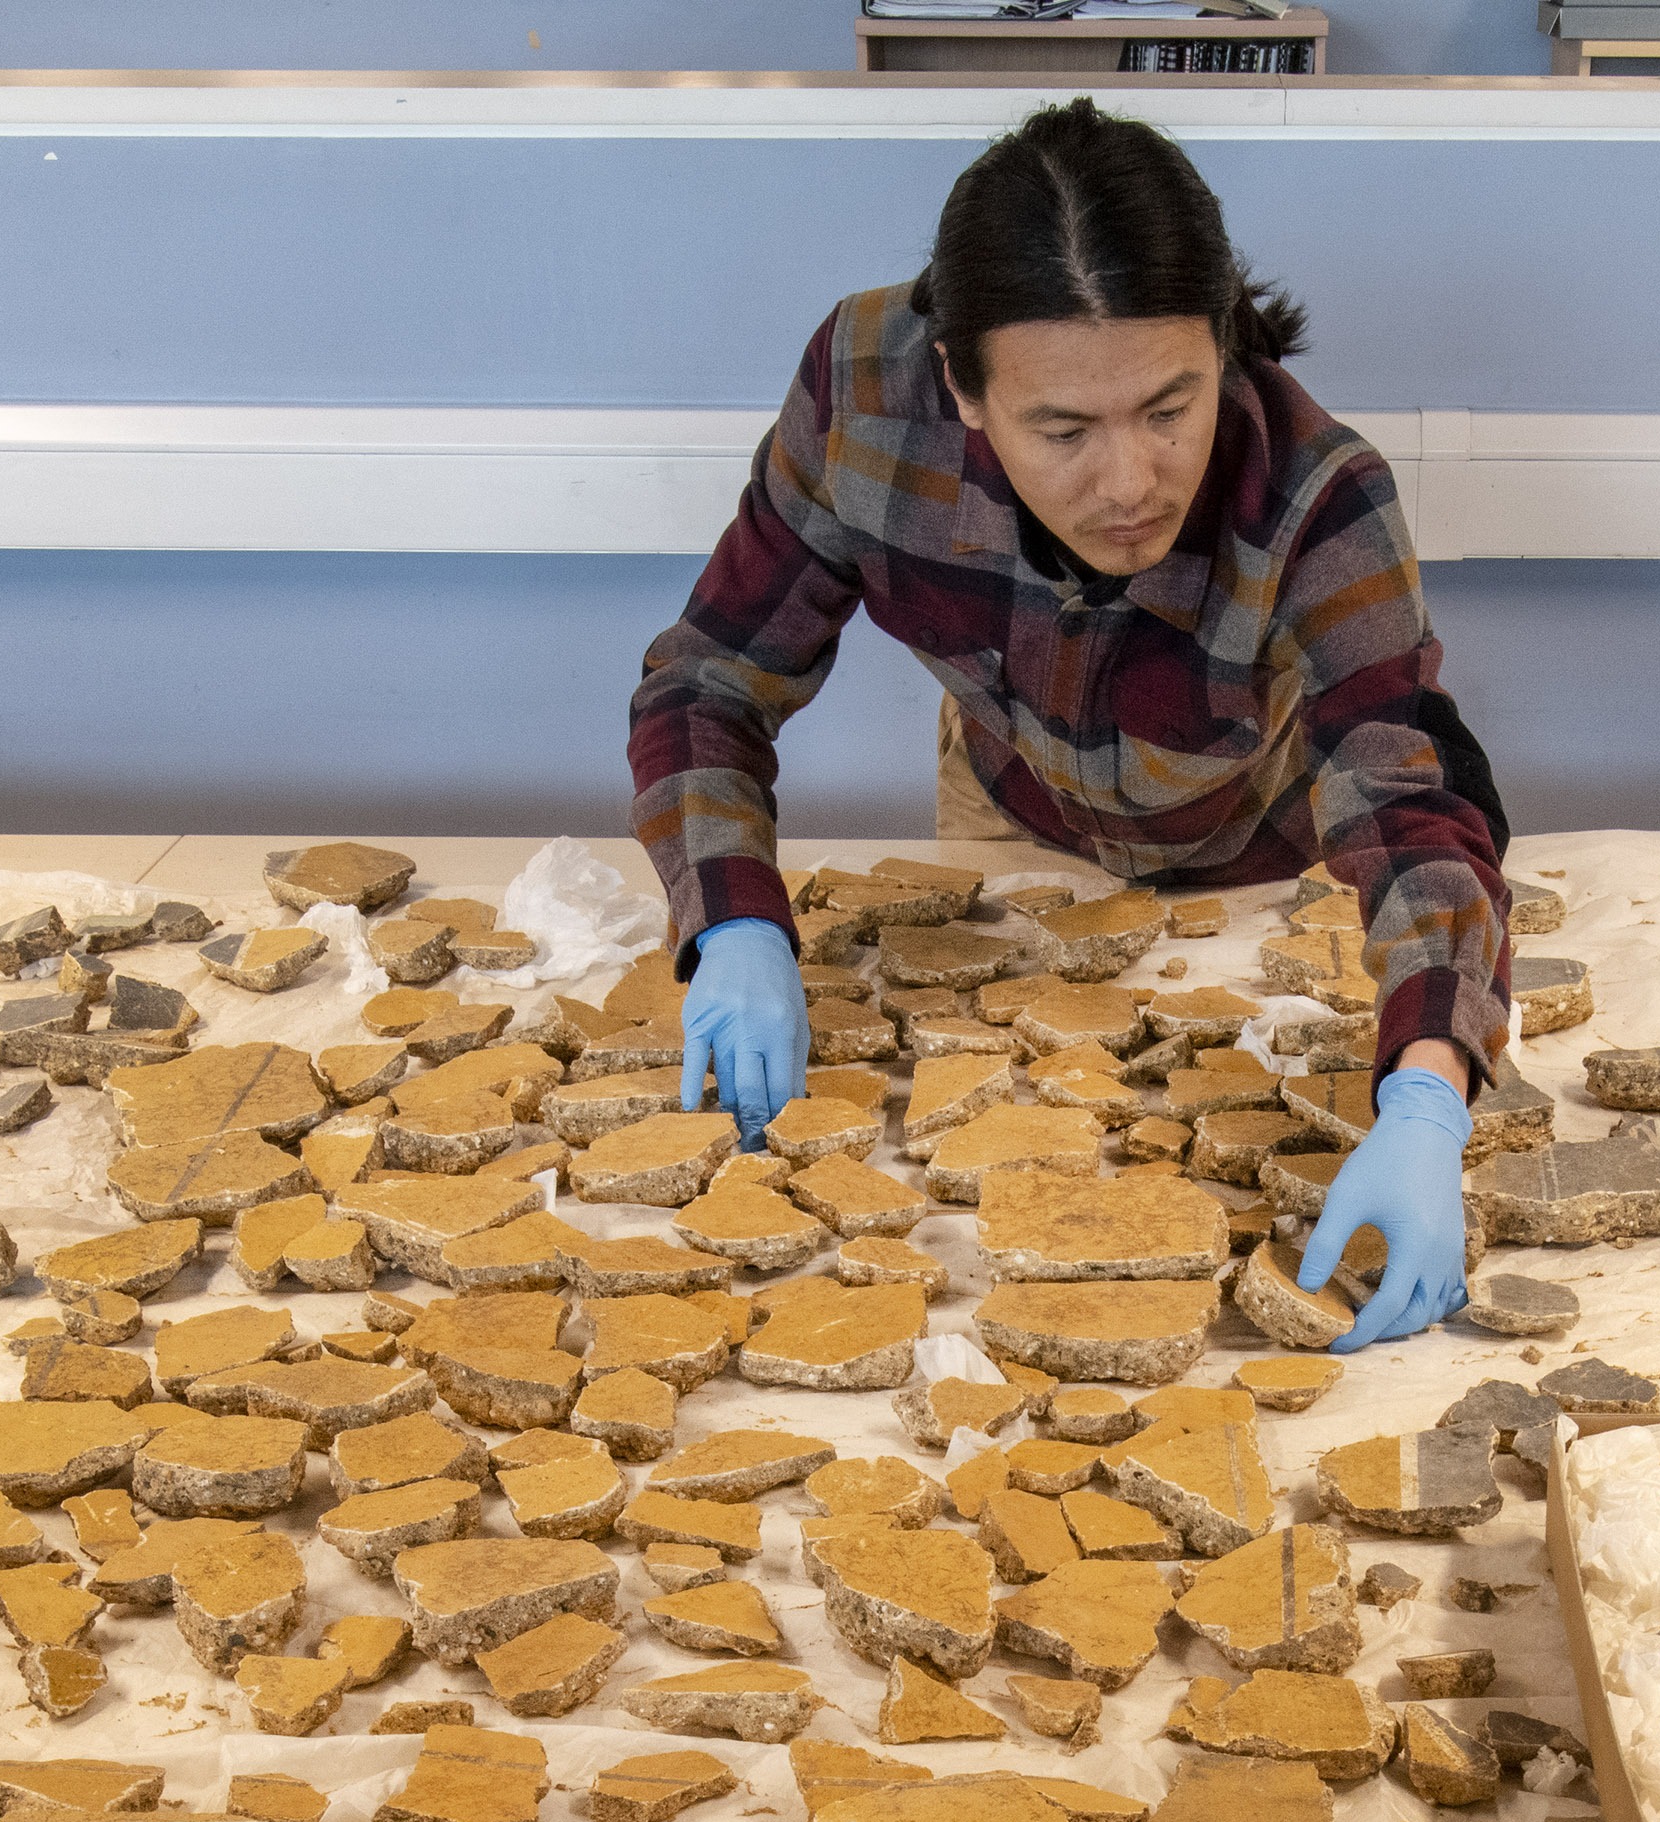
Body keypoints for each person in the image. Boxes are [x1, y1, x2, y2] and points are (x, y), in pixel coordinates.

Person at [627, 96, 1513, 1347]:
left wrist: (1426, 1098)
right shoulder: (865, 395)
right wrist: (730, 923)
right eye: (1063, 429)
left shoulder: (1321, 496)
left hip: (1267, 863)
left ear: (1222, 346)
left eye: (1169, 407)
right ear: (963, 385)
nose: (1129, 482)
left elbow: (1412, 812)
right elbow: (710, 678)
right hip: (1012, 818)